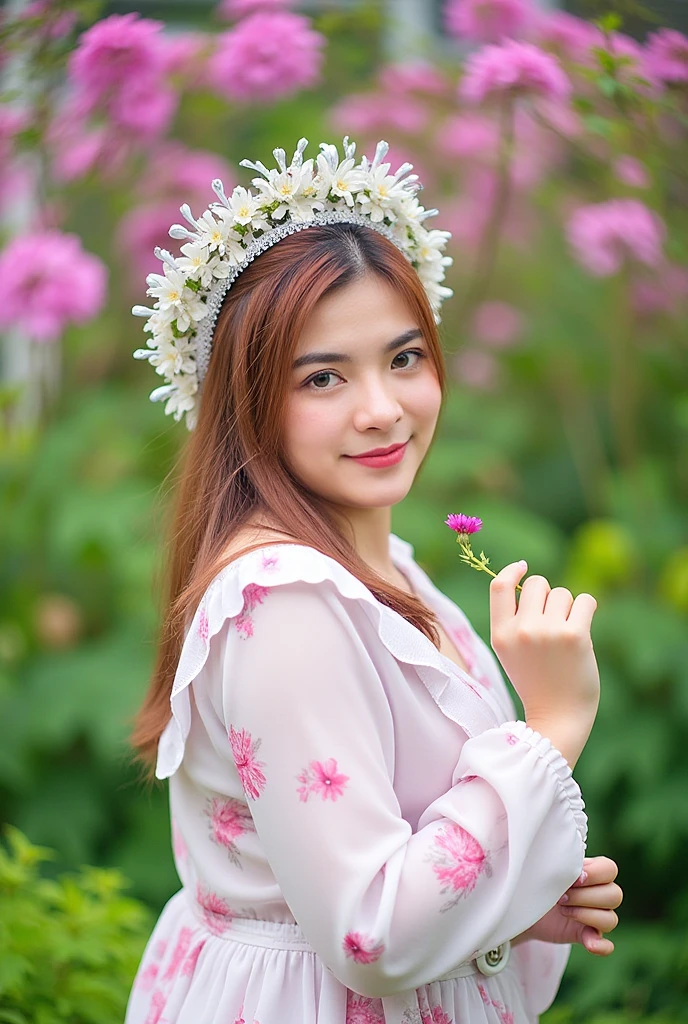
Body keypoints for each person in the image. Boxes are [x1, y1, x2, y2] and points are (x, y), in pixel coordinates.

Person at [125, 137, 622, 1024]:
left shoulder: (381, 568)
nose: (383, 409)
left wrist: (501, 902)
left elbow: (388, 870)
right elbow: (372, 935)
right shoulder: (285, 604)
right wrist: (550, 728)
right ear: (247, 399)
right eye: (323, 377)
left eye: (403, 358)